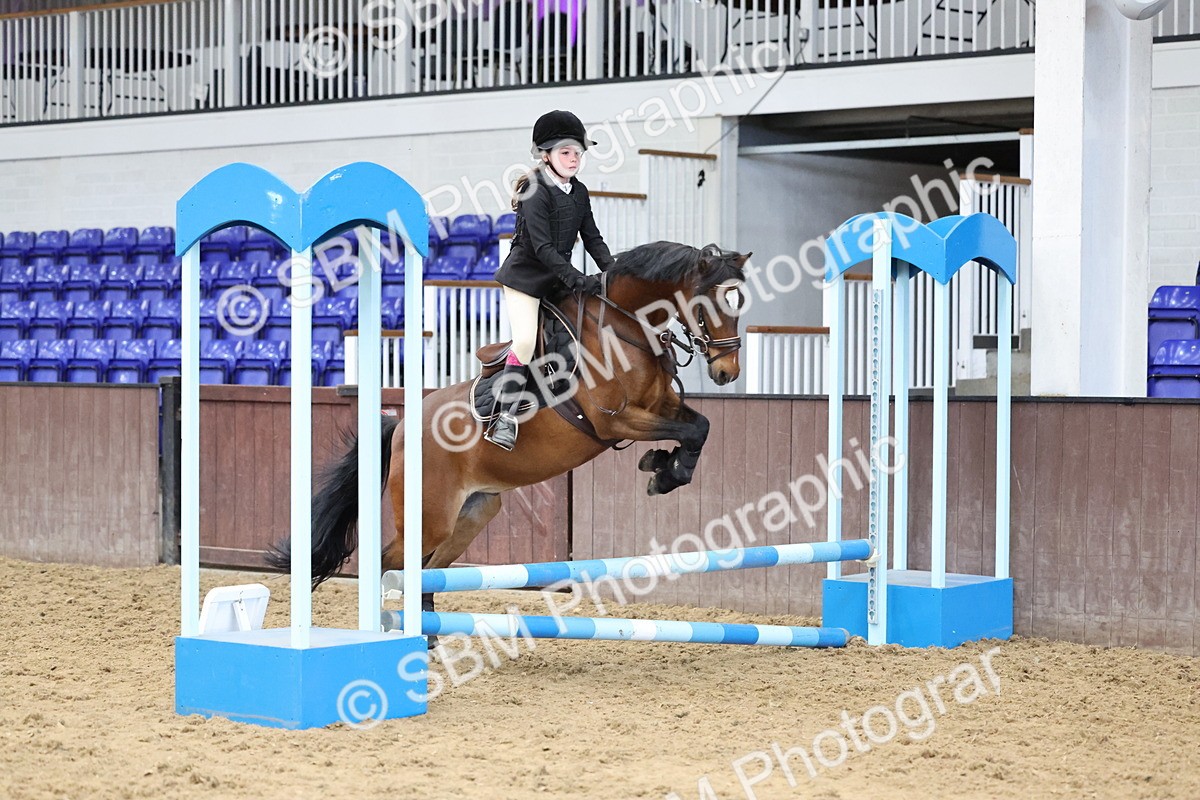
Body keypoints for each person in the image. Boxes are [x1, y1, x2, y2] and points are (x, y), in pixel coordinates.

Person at [485, 110, 616, 451]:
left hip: (558, 278)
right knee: (526, 341)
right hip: (526, 280)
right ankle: (503, 417)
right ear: (546, 155)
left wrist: (612, 271)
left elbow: (593, 238)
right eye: (565, 153)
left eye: (578, 153)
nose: (574, 159)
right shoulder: (534, 190)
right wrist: (577, 279)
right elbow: (542, 248)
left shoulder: (580, 191)